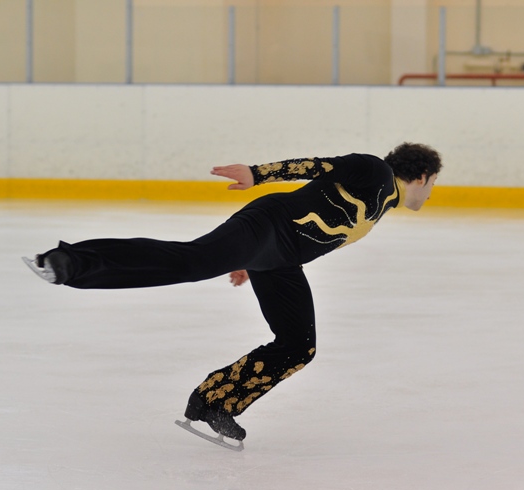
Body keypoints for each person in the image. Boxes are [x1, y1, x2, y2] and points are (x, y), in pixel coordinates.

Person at [24, 142, 442, 443]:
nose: (430, 192)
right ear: (421, 176)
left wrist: (248, 258)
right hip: (268, 227)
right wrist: (258, 174)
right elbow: (317, 166)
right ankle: (70, 262)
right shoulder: (376, 172)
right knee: (190, 262)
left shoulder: (383, 201)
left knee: (299, 344)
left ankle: (216, 402)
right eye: (433, 183)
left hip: (278, 256)